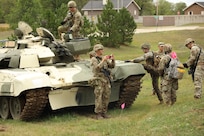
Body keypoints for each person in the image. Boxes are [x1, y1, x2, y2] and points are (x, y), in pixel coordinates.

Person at [89, 44, 115, 119]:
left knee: (106, 96)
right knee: (99, 97)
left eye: (102, 49)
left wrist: (112, 60)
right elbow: (96, 68)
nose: (102, 51)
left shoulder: (103, 58)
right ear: (97, 51)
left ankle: (104, 112)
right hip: (99, 79)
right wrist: (103, 61)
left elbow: (111, 66)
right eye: (101, 50)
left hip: (106, 79)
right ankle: (98, 113)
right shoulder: (94, 59)